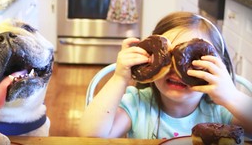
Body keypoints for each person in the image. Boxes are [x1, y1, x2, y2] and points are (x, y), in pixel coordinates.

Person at [78, 11, 252, 139]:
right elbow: (91, 136)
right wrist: (120, 78)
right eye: (168, 57)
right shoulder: (138, 105)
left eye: (193, 61)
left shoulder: (221, 111)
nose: (176, 70)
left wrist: (231, 96)